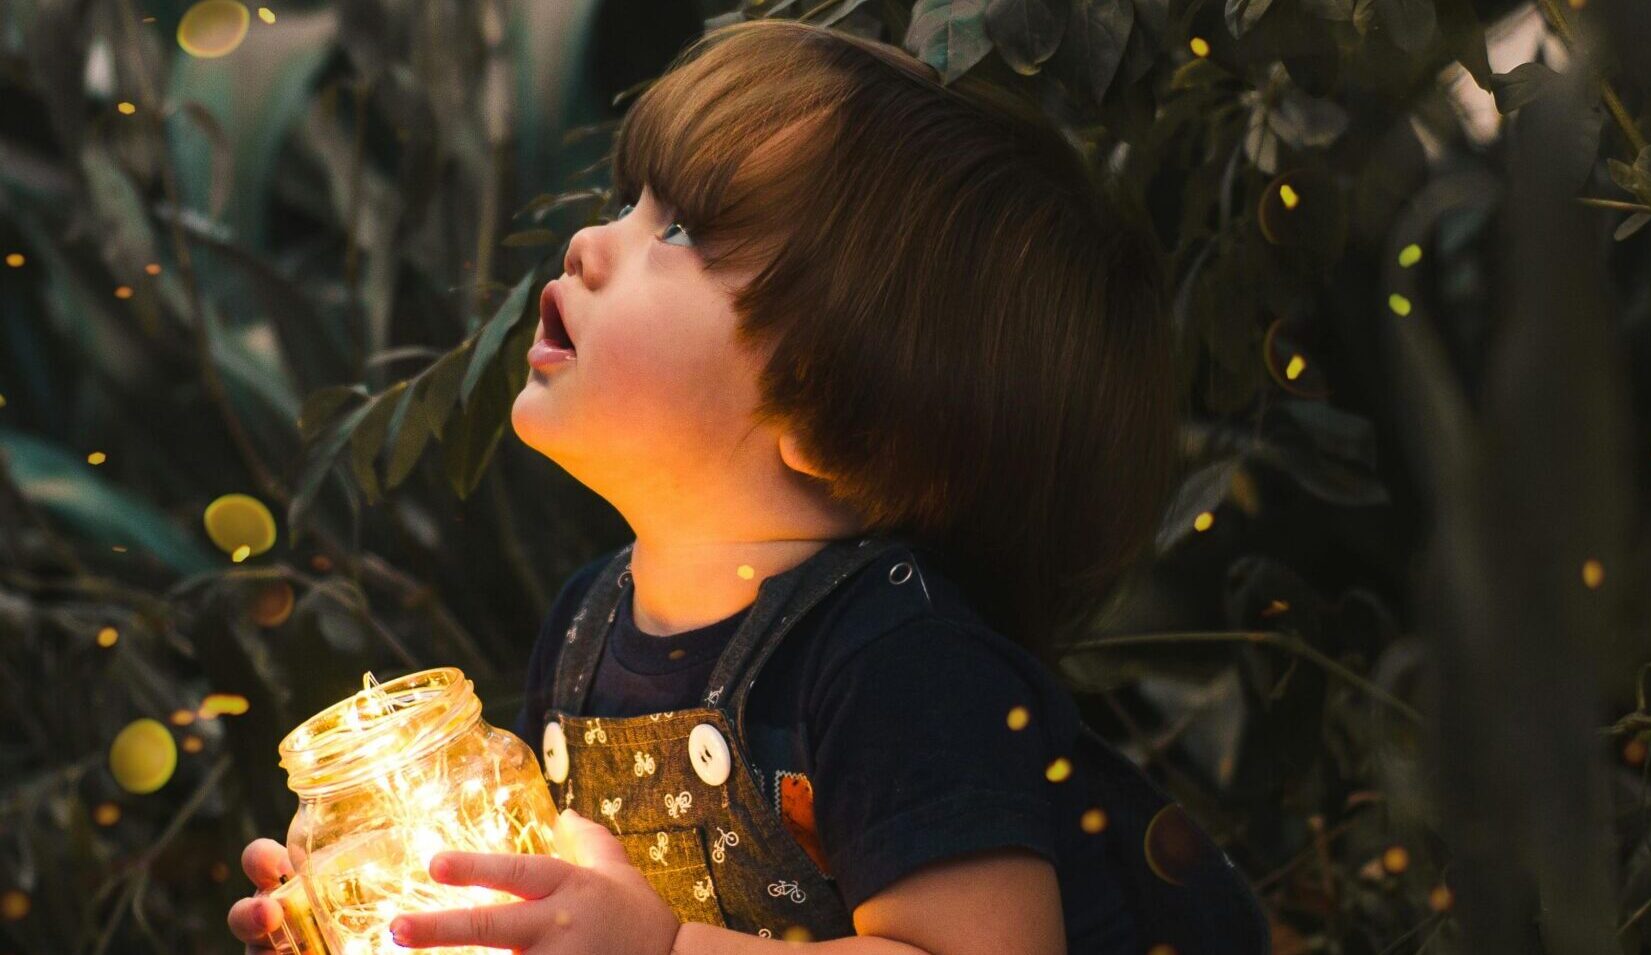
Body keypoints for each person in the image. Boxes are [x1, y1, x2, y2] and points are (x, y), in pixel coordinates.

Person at [228, 17, 1267, 955]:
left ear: (830, 414)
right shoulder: (586, 629)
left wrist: (663, 951)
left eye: (676, 232)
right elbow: (574, 905)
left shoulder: (900, 663)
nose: (591, 245)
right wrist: (397, 904)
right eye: (628, 208)